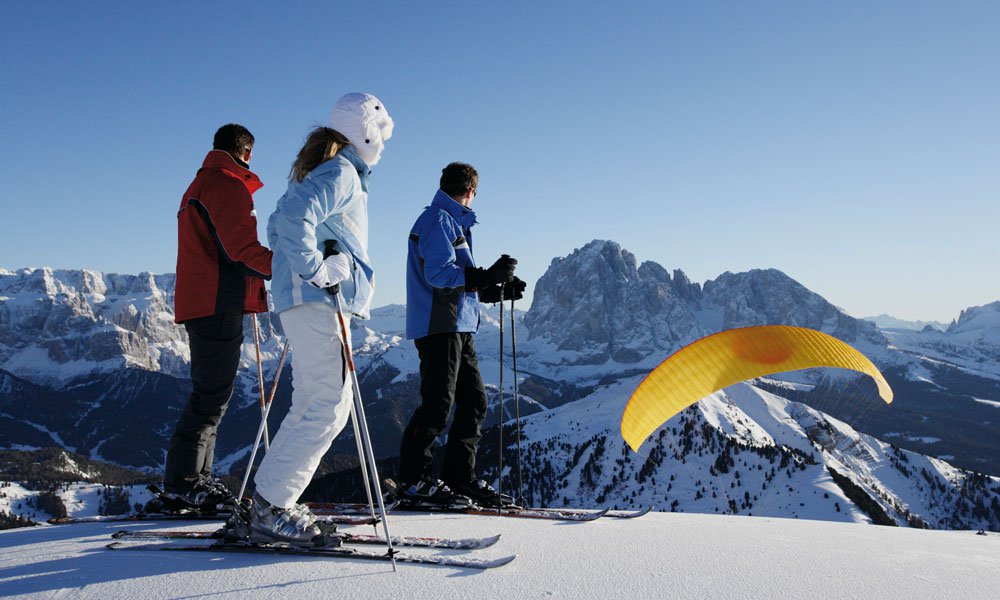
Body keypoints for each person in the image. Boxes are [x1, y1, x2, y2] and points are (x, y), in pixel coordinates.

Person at [247, 93, 394, 544]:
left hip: (306, 302)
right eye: (382, 132)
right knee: (329, 406)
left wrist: (310, 266)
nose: (384, 142)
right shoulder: (343, 172)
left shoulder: (323, 170)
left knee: (314, 403)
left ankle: (271, 501)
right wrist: (316, 268)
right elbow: (291, 219)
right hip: (319, 302)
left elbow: (276, 223)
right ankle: (271, 506)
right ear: (364, 133)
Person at [397, 162, 525, 508]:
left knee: (474, 401)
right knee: (438, 404)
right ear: (471, 191)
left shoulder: (450, 222)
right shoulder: (439, 220)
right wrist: (484, 276)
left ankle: (459, 478)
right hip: (439, 325)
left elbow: (459, 280)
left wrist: (494, 289)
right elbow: (440, 275)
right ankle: (413, 481)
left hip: (458, 323)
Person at [163, 124, 273, 512]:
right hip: (217, 300)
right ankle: (185, 484)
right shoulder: (227, 185)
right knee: (211, 395)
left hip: (205, 299)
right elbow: (240, 249)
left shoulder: (200, 184)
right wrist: (287, 265)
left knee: (211, 394)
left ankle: (194, 480)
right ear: (247, 152)